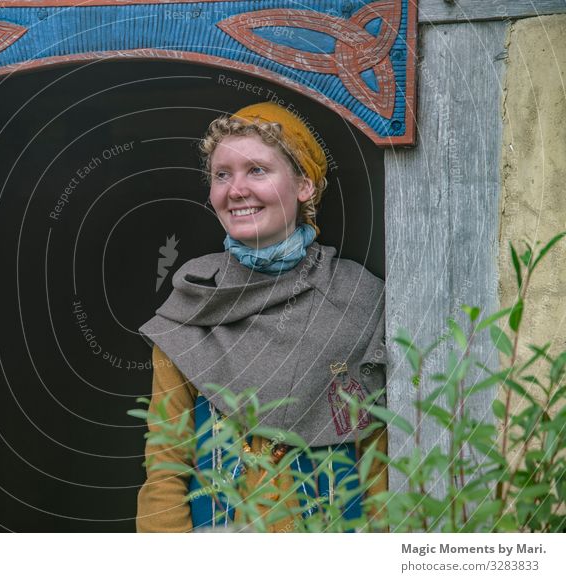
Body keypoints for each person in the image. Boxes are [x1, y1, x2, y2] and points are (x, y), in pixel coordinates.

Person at [136, 102, 388, 533]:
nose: (236, 190)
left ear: (304, 185)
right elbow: (165, 467)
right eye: (222, 174)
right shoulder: (195, 301)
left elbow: (380, 469)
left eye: (257, 170)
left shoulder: (357, 301)